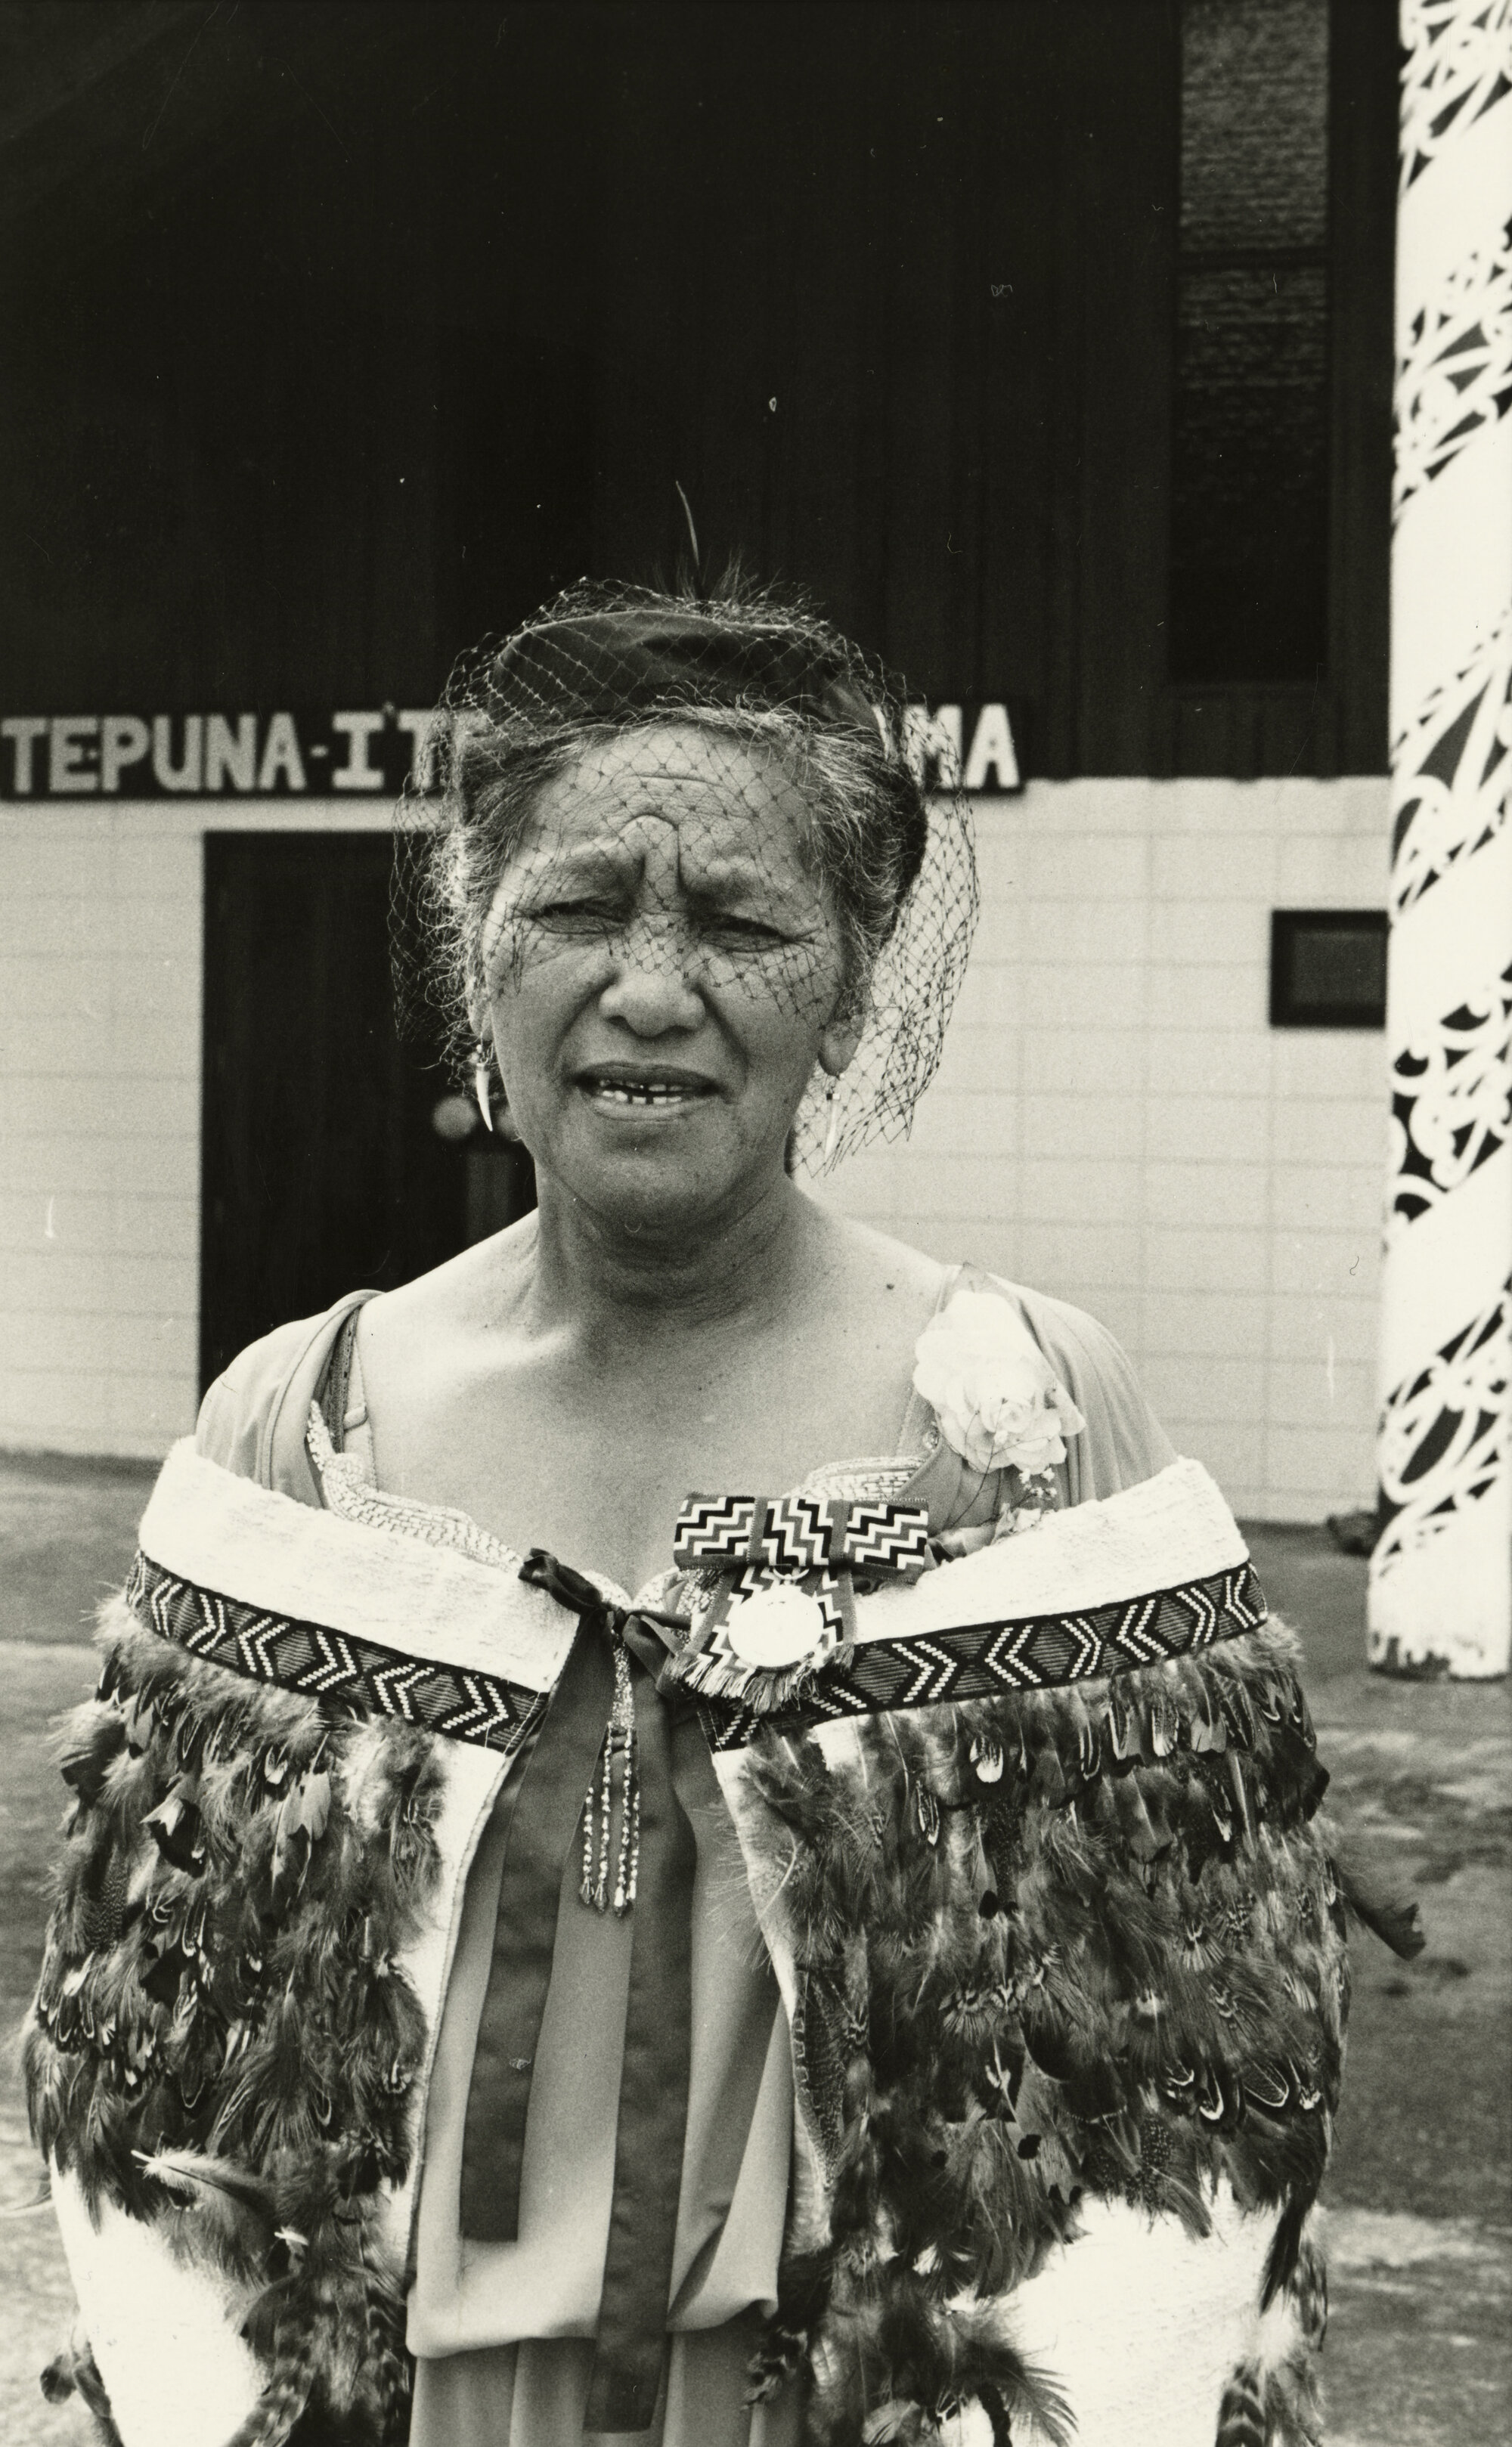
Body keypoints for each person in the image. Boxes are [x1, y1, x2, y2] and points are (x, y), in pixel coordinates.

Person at [26, 581, 1414, 2447]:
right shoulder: (306, 1424)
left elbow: (1192, 2062)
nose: (651, 987)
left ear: (850, 986)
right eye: (577, 908)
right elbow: (146, 2061)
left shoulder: (1017, 1415)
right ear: (477, 955)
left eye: (743, 923)